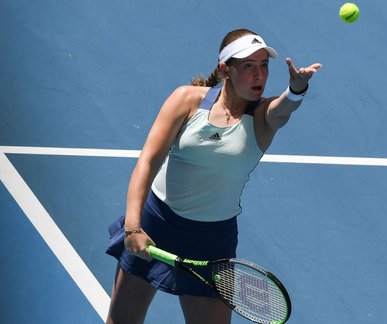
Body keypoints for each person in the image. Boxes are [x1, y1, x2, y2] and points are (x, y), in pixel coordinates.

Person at [105, 28, 322, 324]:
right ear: (225, 70)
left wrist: (296, 90)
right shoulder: (186, 100)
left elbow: (282, 110)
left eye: (263, 66)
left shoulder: (262, 118)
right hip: (157, 223)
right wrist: (133, 226)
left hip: (212, 242)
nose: (259, 75)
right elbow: (148, 161)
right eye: (248, 66)